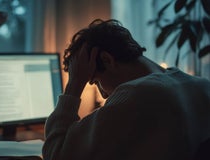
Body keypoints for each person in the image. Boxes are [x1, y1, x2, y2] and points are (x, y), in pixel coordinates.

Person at [42, 19, 210, 160]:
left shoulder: (135, 96)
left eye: (95, 81)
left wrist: (75, 83)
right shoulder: (200, 85)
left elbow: (56, 154)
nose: (104, 95)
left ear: (107, 60)